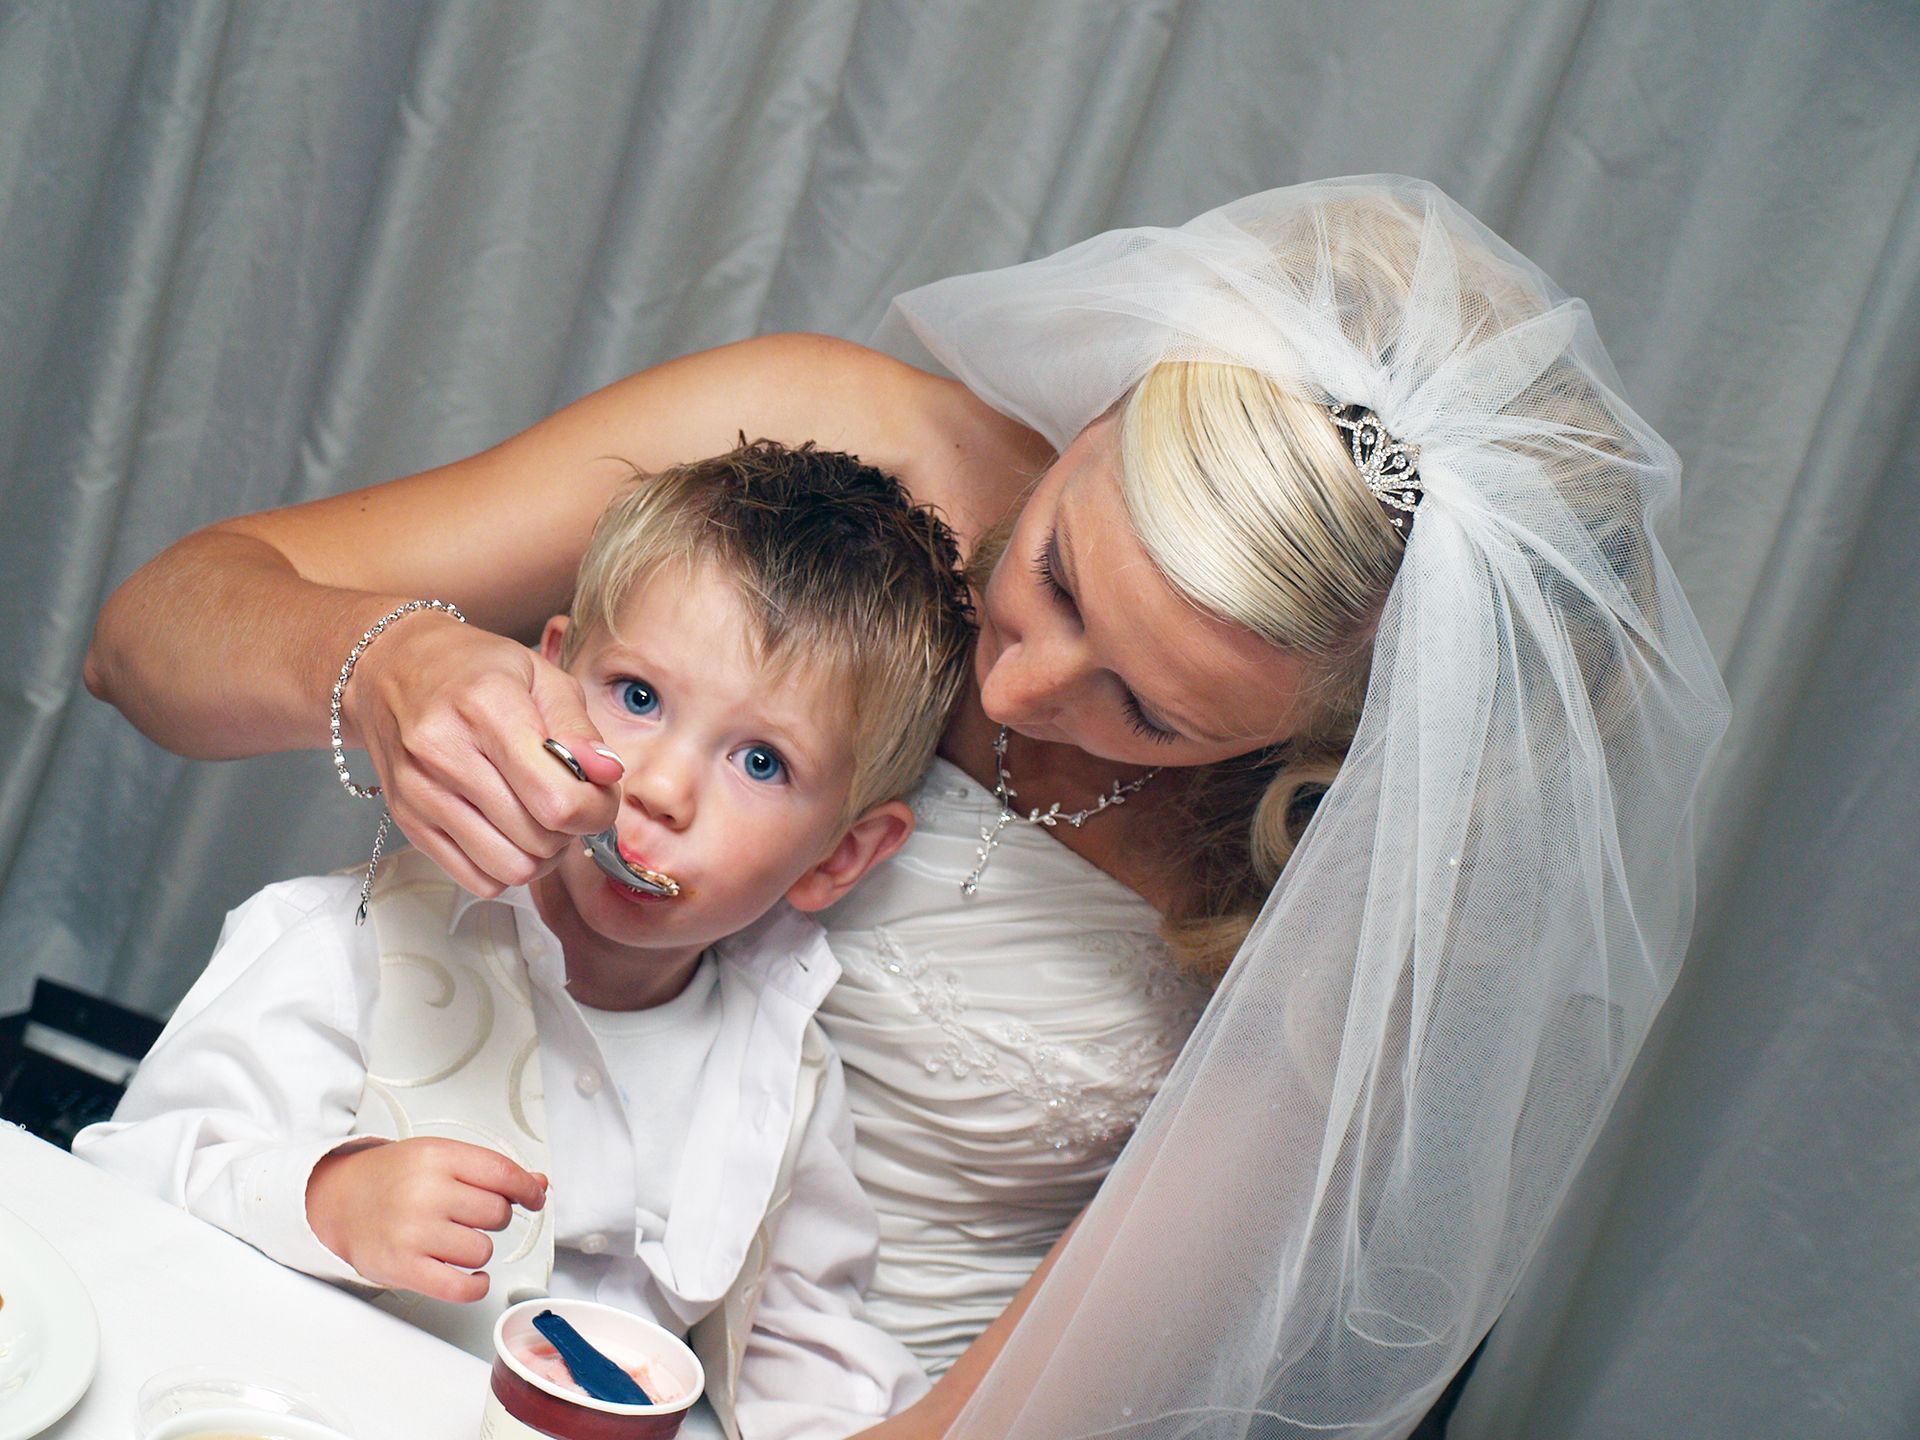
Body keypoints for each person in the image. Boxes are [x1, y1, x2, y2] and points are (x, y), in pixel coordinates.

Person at [86, 177, 1729, 1438]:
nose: (1014, 693)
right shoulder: (838, 442)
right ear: (1103, 413)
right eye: (1061, 572)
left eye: (1149, 711)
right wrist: (383, 662)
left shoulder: (1361, 884)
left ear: (1325, 747)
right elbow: (142, 643)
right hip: (388, 1250)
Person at [77, 440, 980, 1440]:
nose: (662, 790)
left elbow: (802, 1345)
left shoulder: (786, 1068)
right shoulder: (342, 945)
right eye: (637, 698)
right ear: (547, 679)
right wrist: (326, 1201)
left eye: (760, 761)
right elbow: (129, 1187)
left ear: (841, 857)